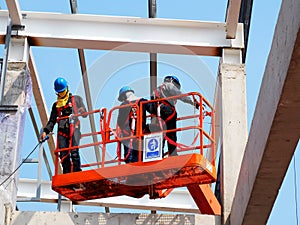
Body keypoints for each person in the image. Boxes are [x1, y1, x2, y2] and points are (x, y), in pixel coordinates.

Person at [40, 77, 87, 174]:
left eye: (62, 91)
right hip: (62, 131)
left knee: (74, 152)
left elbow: (85, 113)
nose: (61, 94)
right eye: (59, 92)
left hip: (74, 128)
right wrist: (45, 131)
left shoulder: (76, 99)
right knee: (63, 154)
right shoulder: (56, 105)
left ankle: (77, 172)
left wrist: (81, 111)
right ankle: (67, 173)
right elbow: (52, 121)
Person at [151, 75, 199, 156]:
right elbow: (180, 95)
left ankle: (158, 154)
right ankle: (173, 153)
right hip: (168, 111)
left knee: (160, 134)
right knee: (171, 133)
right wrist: (193, 103)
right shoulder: (170, 85)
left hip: (157, 114)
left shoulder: (156, 90)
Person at [117, 86, 151, 163]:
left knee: (129, 157)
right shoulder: (143, 101)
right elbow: (153, 110)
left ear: (124, 95)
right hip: (141, 133)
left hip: (128, 134)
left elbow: (120, 121)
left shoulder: (123, 105)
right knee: (139, 155)